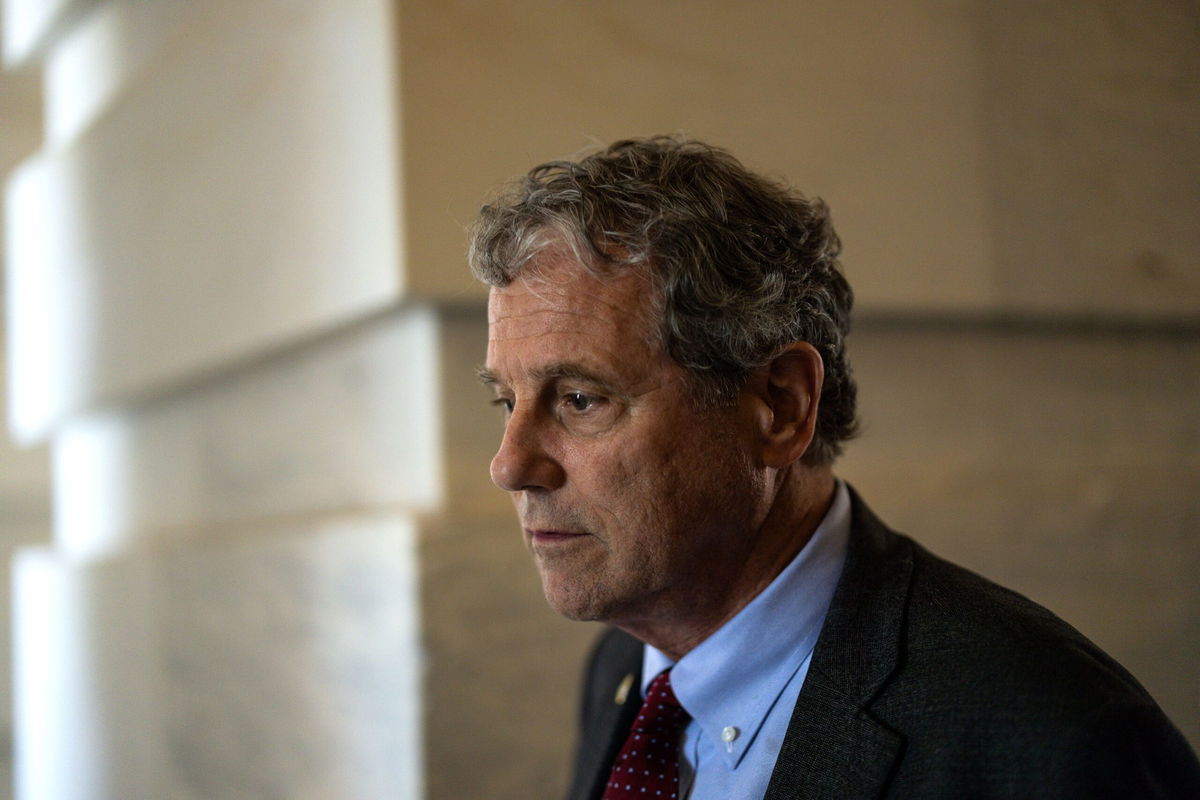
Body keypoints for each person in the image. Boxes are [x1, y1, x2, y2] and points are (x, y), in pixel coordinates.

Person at [468, 135, 1200, 799]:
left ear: (779, 408)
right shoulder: (622, 672)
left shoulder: (1048, 738)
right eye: (507, 402)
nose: (510, 466)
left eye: (580, 399)